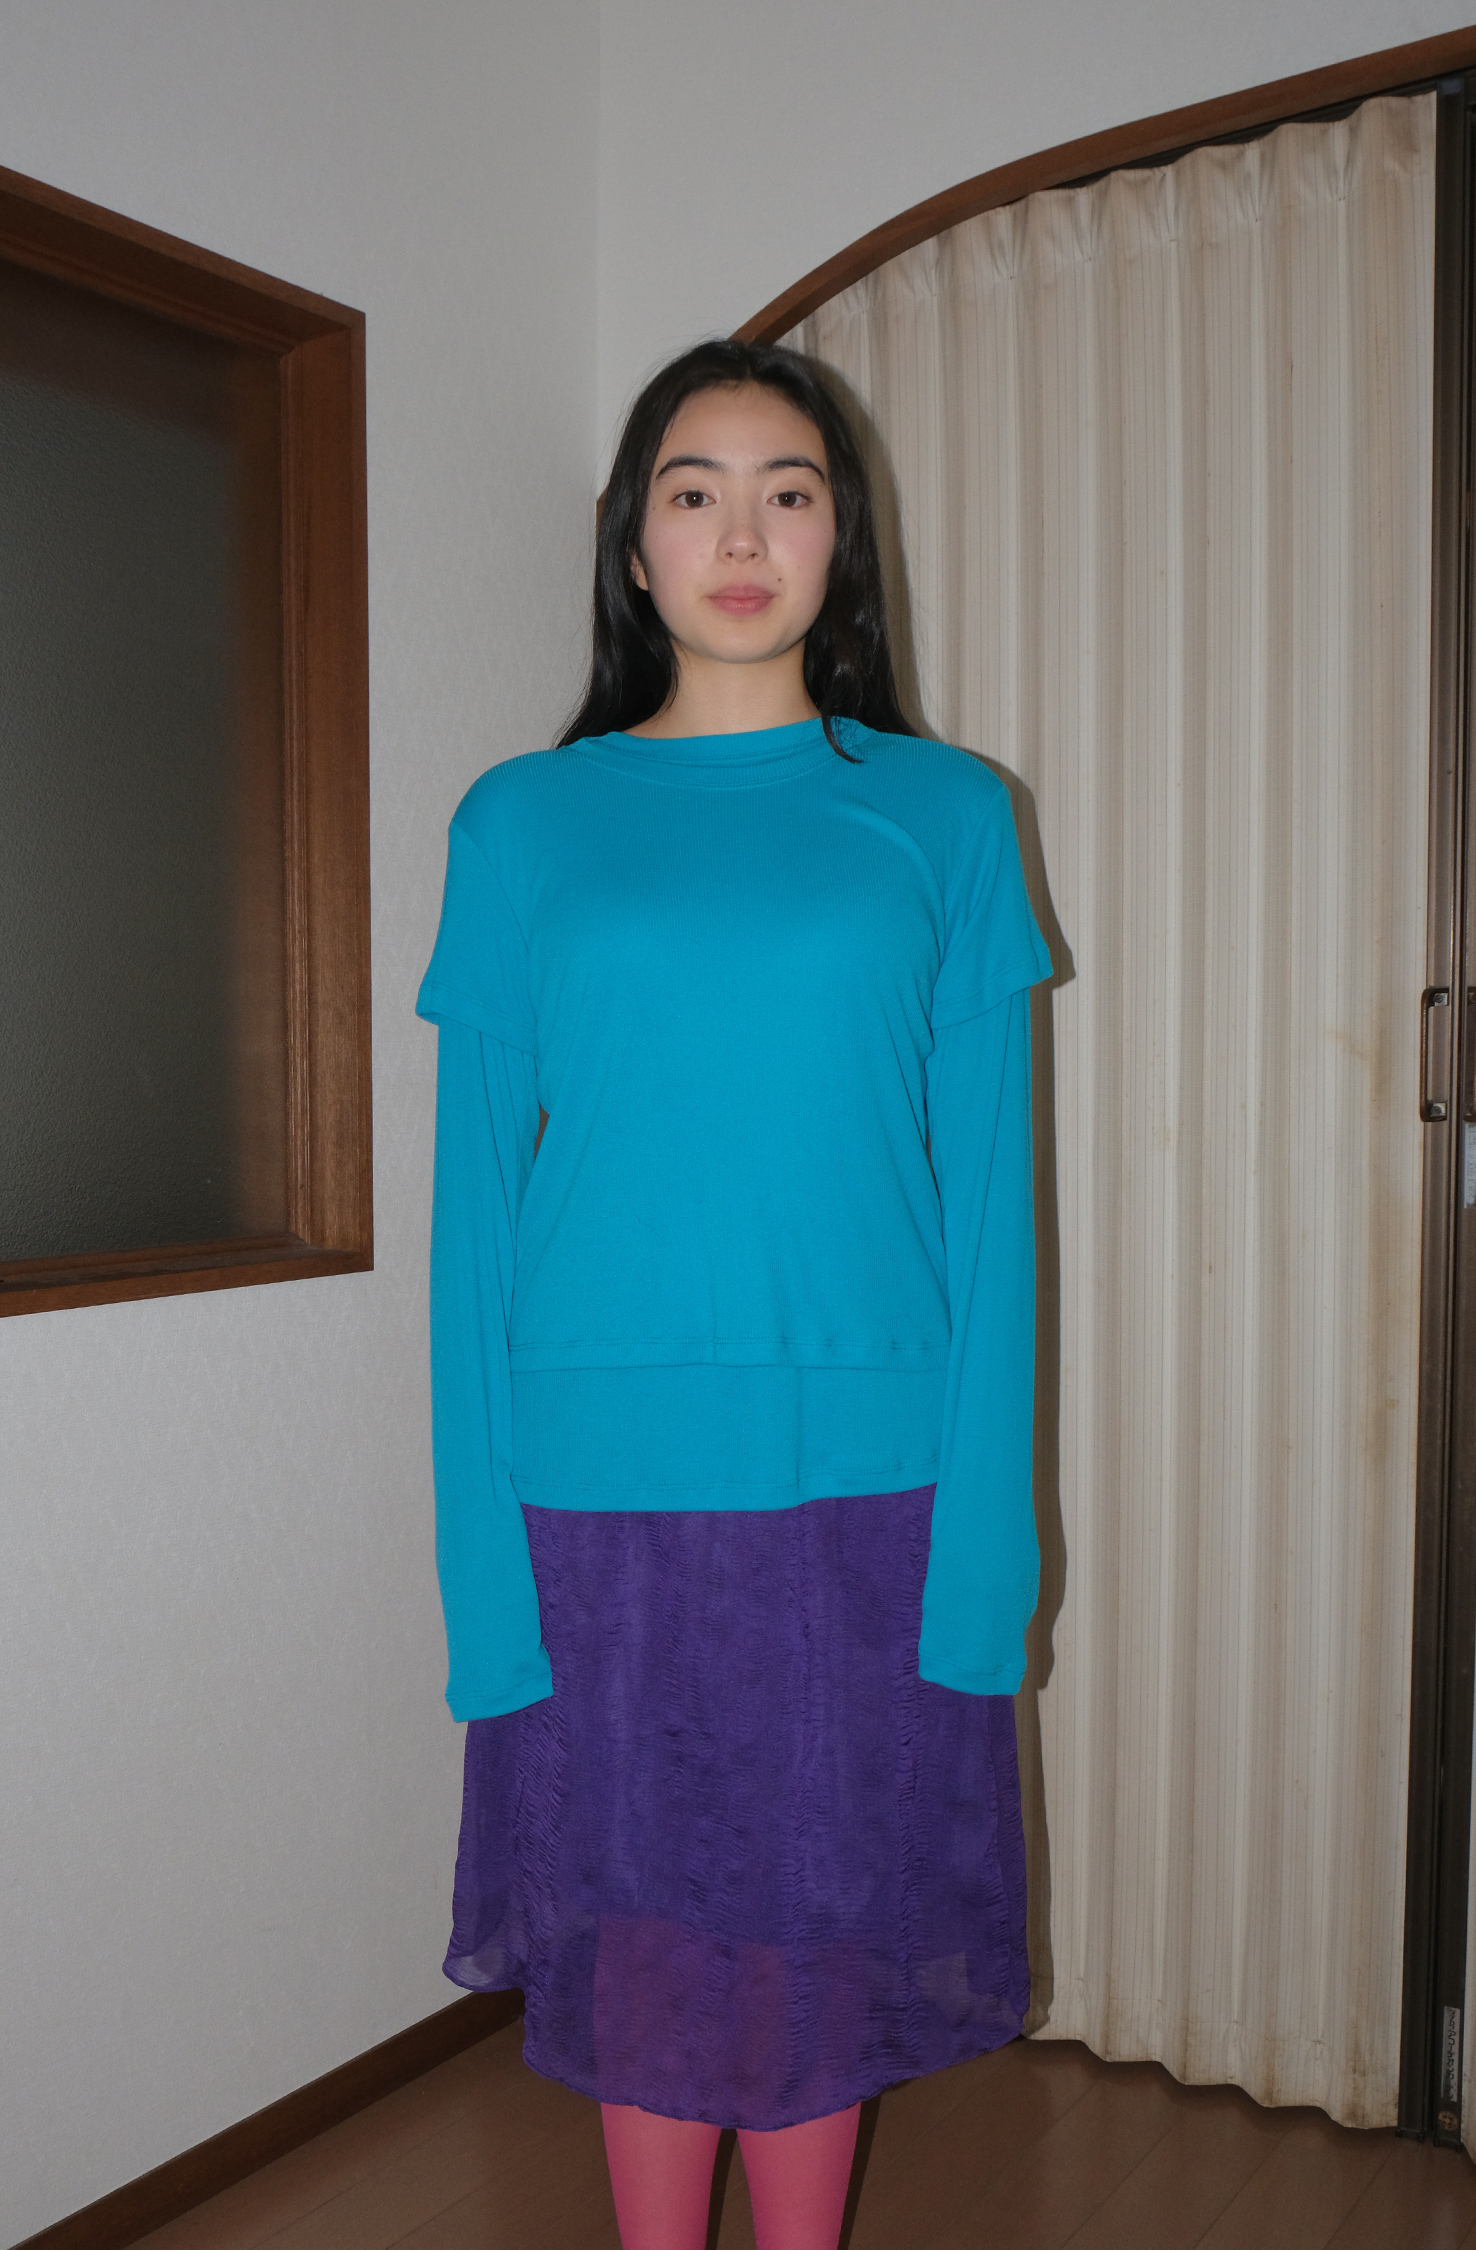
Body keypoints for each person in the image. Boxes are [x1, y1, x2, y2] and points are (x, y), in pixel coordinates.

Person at [416, 338, 1050, 2250]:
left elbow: (993, 1213)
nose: (744, 532)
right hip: (594, 1495)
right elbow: (470, 1228)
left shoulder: (948, 813)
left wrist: (989, 1553)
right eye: (693, 492)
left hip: (873, 1488)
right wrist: (478, 1569)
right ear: (634, 546)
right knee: (645, 1948)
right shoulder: (521, 820)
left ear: (844, 539)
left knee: (817, 1938)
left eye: (790, 490)